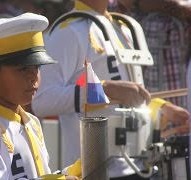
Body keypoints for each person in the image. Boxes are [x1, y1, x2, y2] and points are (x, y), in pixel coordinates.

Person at [31, 0, 190, 179]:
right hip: (94, 170)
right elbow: (42, 100)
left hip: (140, 166)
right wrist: (106, 90)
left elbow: (130, 96)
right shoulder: (67, 31)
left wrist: (160, 107)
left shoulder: (127, 27)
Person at [0, 13, 81, 179]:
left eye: (37, 66)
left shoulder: (31, 121)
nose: (33, 76)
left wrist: (69, 173)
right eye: (22, 68)